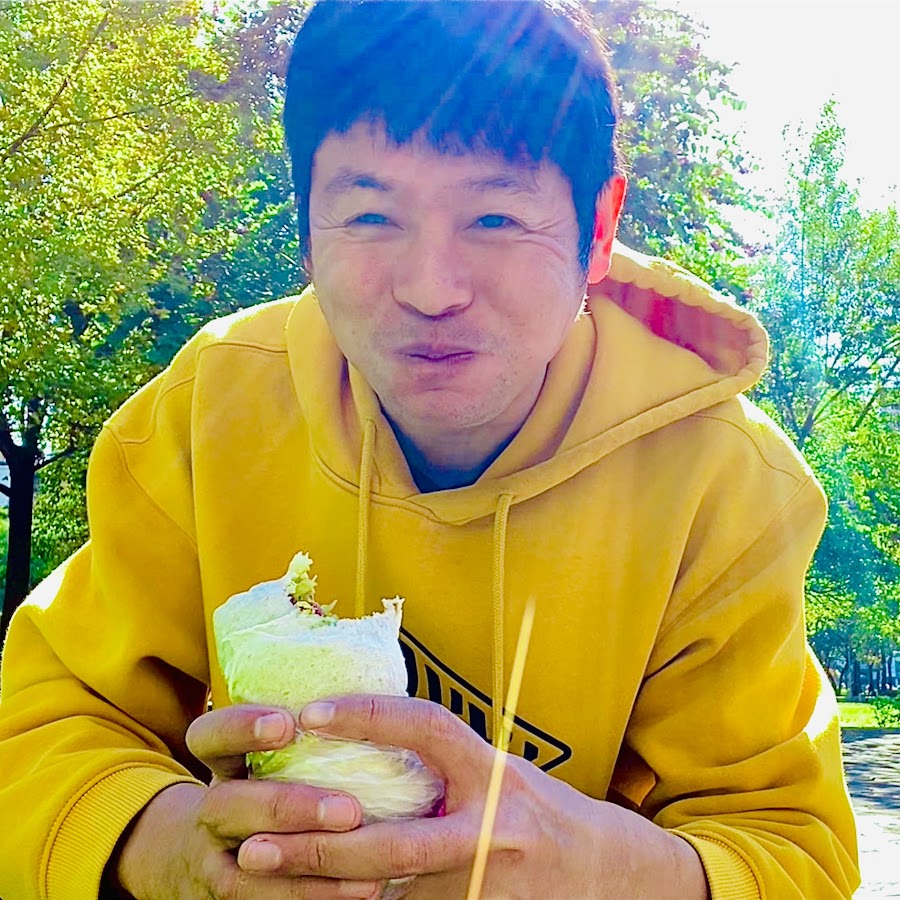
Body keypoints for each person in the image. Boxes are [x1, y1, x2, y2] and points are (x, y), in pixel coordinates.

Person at [0, 2, 860, 898]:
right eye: (371, 215)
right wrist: (175, 851)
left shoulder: (723, 485)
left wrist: (595, 867)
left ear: (599, 229)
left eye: (494, 217)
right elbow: (41, 729)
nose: (431, 290)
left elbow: (791, 849)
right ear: (306, 228)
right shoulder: (209, 412)